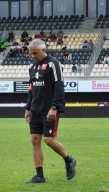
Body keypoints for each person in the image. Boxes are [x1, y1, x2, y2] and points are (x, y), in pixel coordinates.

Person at [24, 39, 76, 183]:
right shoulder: (32, 67)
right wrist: (28, 108)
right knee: (35, 140)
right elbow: (31, 89)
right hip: (35, 109)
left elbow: (59, 86)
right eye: (31, 54)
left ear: (44, 50)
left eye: (35, 53)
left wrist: (54, 108)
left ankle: (69, 160)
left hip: (49, 110)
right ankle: (39, 175)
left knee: (48, 140)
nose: (33, 56)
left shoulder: (53, 63)